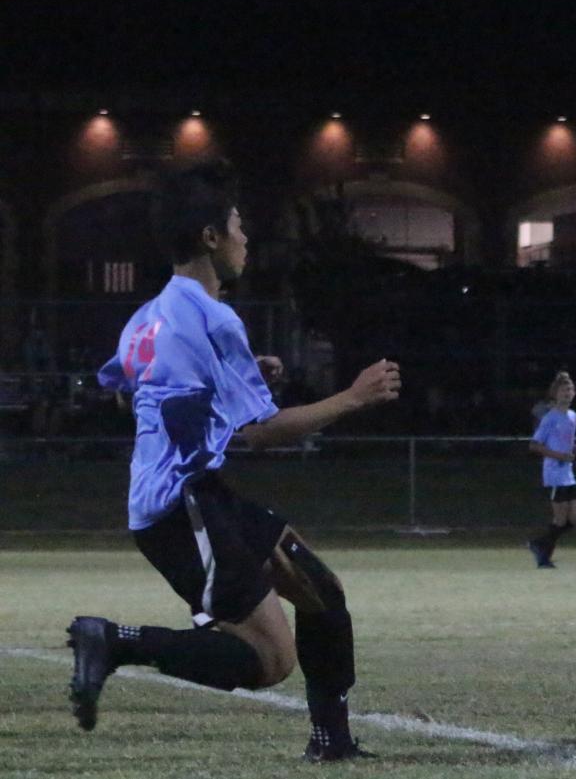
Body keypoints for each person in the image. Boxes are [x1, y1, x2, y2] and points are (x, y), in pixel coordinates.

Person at [65, 159, 402, 762]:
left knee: (320, 590)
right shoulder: (213, 318)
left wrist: (233, 375)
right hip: (179, 508)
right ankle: (114, 641)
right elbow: (262, 433)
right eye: (238, 227)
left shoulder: (149, 315)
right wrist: (354, 397)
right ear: (210, 237)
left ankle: (333, 743)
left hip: (195, 492)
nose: (246, 239)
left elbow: (126, 389)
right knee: (268, 661)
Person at [526, 370, 576, 568]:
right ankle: (543, 555)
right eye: (564, 390)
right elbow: (535, 445)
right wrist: (560, 456)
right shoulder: (550, 418)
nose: (567, 393)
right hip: (554, 473)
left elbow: (565, 443)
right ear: (555, 393)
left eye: (570, 389)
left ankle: (539, 544)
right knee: (561, 518)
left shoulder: (573, 416)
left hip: (568, 473)